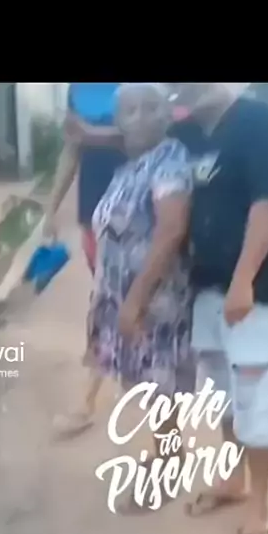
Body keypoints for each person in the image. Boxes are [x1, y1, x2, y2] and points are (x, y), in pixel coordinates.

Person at [168, 83, 268, 534]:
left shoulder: (261, 125)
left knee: (258, 401)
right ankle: (232, 480)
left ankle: (259, 508)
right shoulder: (187, 132)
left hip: (258, 293)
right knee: (223, 394)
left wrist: (244, 280)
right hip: (206, 288)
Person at [86, 83, 195, 500]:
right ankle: (166, 453)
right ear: (119, 120)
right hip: (125, 298)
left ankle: (170, 466)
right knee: (147, 385)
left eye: (152, 107)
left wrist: (135, 301)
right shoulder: (131, 166)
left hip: (155, 302)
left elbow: (171, 231)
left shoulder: (169, 161)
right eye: (131, 110)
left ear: (168, 115)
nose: (142, 117)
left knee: (159, 385)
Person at [44, 83, 125, 436]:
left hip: (136, 211)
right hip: (92, 214)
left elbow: (151, 135)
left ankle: (86, 400)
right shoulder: (77, 89)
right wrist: (51, 207)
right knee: (109, 300)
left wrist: (90, 133)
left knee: (114, 302)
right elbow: (72, 148)